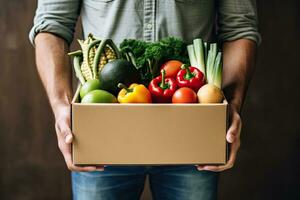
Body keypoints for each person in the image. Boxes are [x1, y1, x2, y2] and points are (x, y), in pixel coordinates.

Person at [29, 0, 260, 199]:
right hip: (101, 134)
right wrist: (61, 108)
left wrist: (231, 106)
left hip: (192, 132)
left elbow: (239, 28)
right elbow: (52, 25)